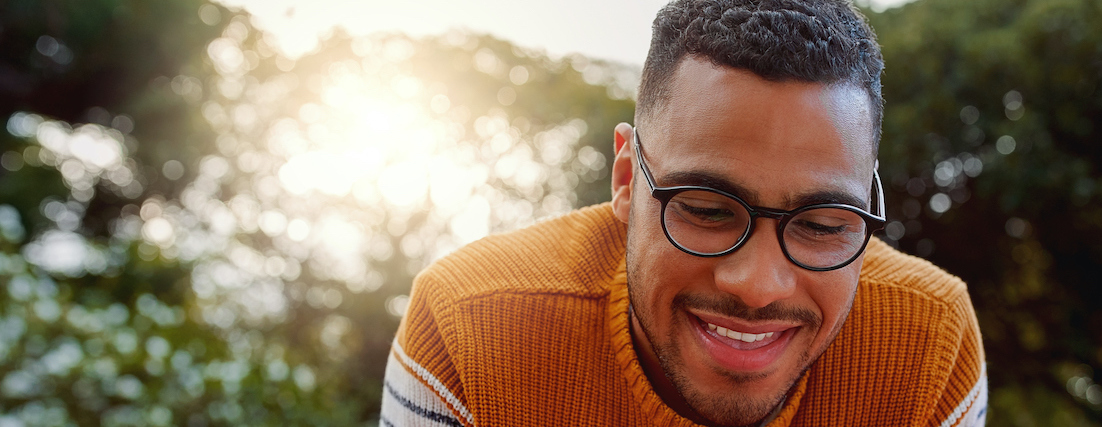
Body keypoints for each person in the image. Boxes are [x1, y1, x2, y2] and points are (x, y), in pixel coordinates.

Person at [380, 0, 986, 425]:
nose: (756, 286)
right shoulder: (468, 330)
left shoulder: (928, 343)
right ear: (626, 178)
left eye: (823, 223)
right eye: (706, 210)